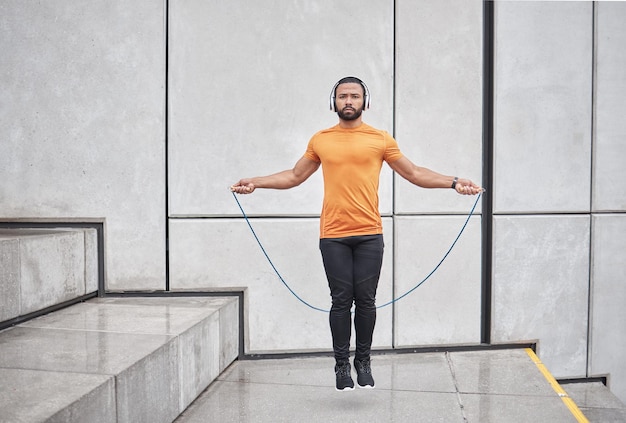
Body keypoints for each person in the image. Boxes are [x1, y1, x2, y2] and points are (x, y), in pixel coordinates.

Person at [231, 76, 483, 392]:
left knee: (365, 301)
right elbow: (295, 176)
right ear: (333, 102)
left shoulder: (380, 139)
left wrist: (454, 181)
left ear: (365, 101)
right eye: (342, 96)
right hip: (333, 235)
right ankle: (341, 365)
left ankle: (362, 361)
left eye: (354, 96)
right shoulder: (320, 139)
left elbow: (414, 173)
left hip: (369, 234)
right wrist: (256, 181)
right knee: (341, 301)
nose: (348, 101)